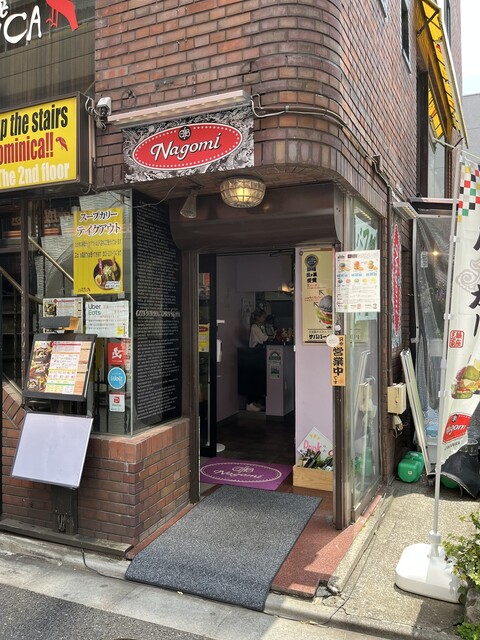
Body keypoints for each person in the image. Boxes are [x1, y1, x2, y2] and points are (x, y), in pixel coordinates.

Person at [246, 309, 272, 411]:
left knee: (259, 379)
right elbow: (264, 338)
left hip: (258, 355)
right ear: (258, 317)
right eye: (263, 317)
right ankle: (250, 403)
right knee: (254, 379)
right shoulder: (254, 328)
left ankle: (256, 402)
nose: (264, 319)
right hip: (254, 355)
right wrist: (272, 335)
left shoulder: (260, 327)